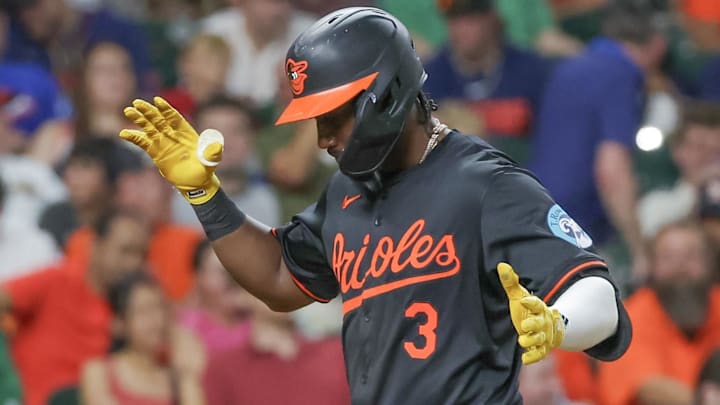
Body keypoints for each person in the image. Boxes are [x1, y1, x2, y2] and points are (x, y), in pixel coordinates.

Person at [120, 7, 631, 404]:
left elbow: (597, 294)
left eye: (333, 118)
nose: (322, 139)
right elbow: (280, 277)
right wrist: (203, 194)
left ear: (384, 95)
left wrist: (559, 324)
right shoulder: (346, 190)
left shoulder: (484, 183)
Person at [530, 3, 666, 282]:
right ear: (657, 45)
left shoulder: (572, 65)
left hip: (539, 214)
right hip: (575, 235)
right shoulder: (620, 72)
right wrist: (639, 250)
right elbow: (611, 170)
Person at [0, 210, 150, 405]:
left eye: (142, 255)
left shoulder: (136, 310)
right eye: (125, 251)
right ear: (96, 246)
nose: (134, 263)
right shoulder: (59, 280)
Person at [597, 221, 720, 405]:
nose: (681, 269)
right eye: (669, 259)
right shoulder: (630, 318)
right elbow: (645, 386)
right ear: (652, 267)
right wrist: (703, 400)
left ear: (710, 263)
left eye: (691, 257)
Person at [202, 288, 349, 404]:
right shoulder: (223, 369)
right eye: (267, 277)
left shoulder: (337, 355)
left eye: (293, 278)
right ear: (241, 293)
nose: (284, 288)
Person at [81, 271, 206, 405]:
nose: (158, 320)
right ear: (120, 323)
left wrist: (188, 377)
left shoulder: (178, 376)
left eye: (161, 307)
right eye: (145, 311)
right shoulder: (99, 373)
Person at [172, 95, 281, 228]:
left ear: (251, 139)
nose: (225, 142)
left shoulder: (267, 201)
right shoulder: (174, 207)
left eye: (236, 131)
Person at [638, 102, 720, 238]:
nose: (709, 157)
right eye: (700, 147)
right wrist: (693, 186)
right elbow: (649, 228)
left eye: (716, 149)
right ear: (677, 151)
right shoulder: (659, 194)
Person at [177, 240, 251, 354]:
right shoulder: (188, 329)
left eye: (235, 270)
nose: (231, 280)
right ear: (199, 278)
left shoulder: (255, 320)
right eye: (221, 272)